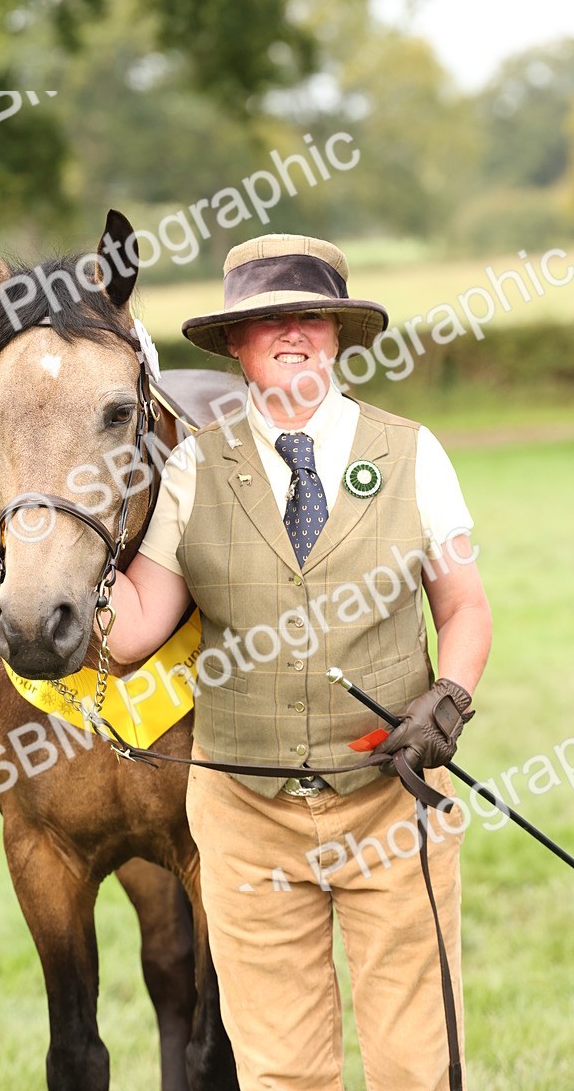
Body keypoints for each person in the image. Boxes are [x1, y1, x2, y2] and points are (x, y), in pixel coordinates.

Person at [105, 233, 492, 1091]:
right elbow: (133, 630)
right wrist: (43, 559)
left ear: (338, 335)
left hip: (394, 804)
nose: (292, 331)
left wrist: (450, 700)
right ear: (236, 345)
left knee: (418, 1066)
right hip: (245, 821)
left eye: (310, 314)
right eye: (266, 317)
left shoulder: (413, 453)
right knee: (282, 1073)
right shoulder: (191, 470)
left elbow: (464, 604)